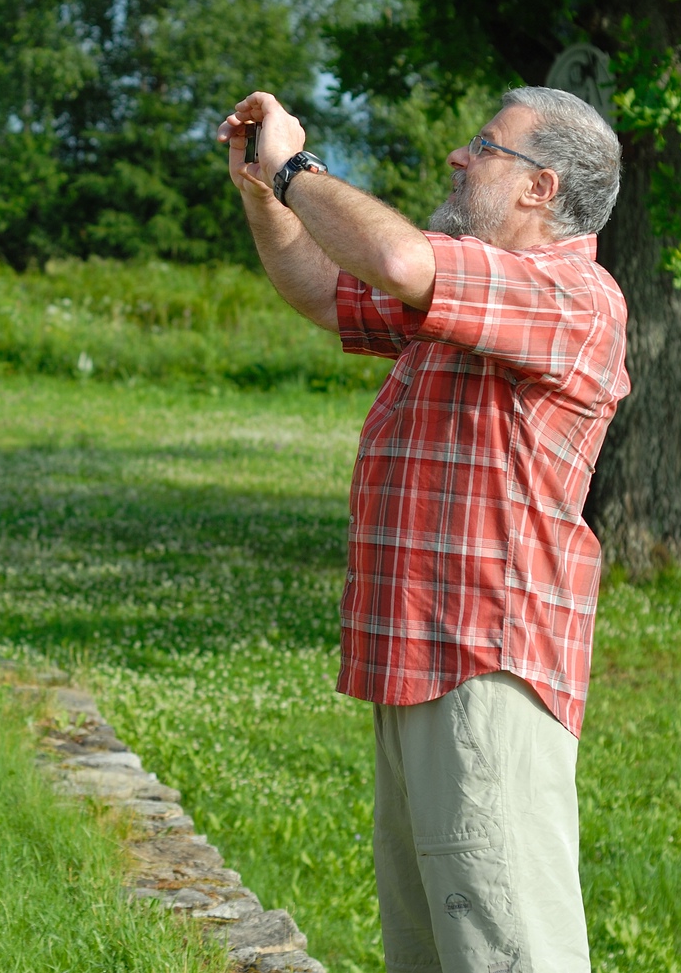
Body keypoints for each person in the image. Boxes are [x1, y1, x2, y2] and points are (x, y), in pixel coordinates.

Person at [218, 87, 630, 973]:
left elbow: (400, 258)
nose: (458, 156)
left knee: (510, 956)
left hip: (485, 676)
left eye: (485, 146)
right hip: (423, 670)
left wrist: (294, 170)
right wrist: (261, 192)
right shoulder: (470, 299)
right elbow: (325, 291)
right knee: (433, 954)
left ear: (541, 187)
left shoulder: (571, 294)